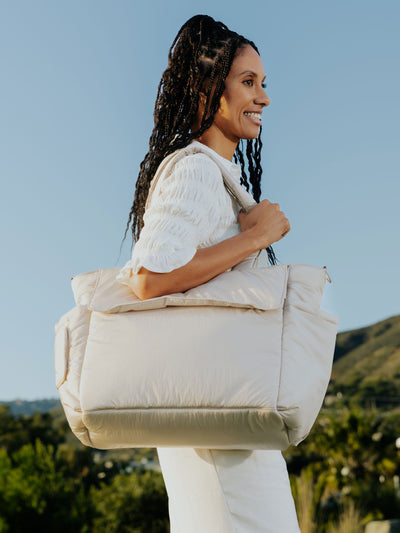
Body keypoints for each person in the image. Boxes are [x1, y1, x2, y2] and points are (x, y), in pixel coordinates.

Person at [117, 14, 300, 533]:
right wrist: (255, 238)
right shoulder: (194, 168)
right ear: (206, 89)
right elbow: (149, 277)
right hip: (218, 442)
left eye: (263, 83)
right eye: (248, 82)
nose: (263, 97)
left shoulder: (217, 176)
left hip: (231, 425)